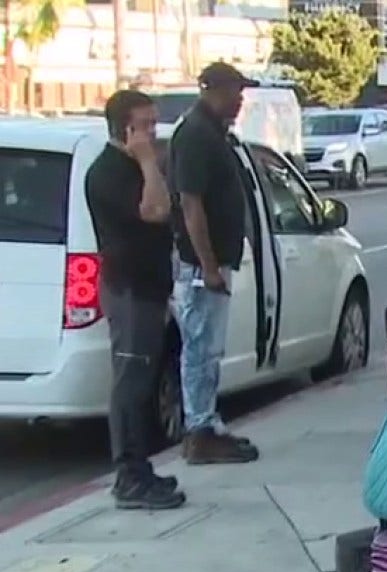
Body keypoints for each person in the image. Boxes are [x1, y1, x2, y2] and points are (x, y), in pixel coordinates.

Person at [85, 90, 186, 510]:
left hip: (149, 287)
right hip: (129, 290)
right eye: (144, 124)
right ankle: (128, 474)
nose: (153, 131)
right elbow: (156, 210)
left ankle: (141, 468)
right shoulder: (109, 173)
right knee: (130, 382)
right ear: (123, 129)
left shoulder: (132, 167)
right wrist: (147, 160)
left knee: (144, 382)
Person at [168, 62, 260, 464]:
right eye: (234, 91)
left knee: (209, 347)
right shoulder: (195, 135)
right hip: (199, 266)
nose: (240, 100)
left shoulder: (215, 134)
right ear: (213, 90)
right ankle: (199, 428)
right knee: (200, 347)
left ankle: (208, 422)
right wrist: (206, 264)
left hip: (216, 261)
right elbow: (191, 204)